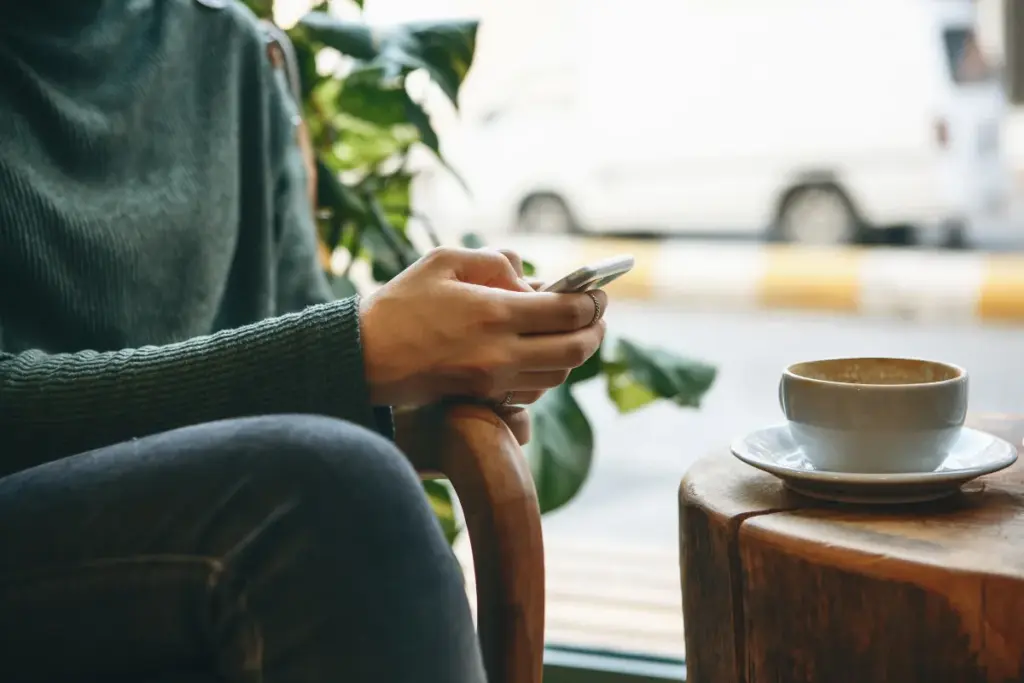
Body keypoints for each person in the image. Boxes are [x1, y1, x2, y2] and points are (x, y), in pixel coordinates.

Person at [0, 1, 607, 682]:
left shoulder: (228, 47)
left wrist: (421, 380)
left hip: (185, 550)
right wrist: (354, 349)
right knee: (330, 499)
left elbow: (294, 341)